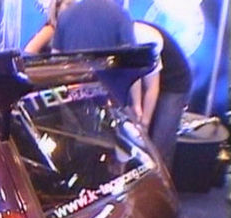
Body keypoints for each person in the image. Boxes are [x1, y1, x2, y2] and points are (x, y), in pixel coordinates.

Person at [131, 21, 192, 170]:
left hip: (174, 83)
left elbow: (152, 87)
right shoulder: (119, 38)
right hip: (148, 78)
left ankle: (160, 180)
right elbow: (133, 79)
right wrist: (136, 112)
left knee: (160, 143)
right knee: (137, 137)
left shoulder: (145, 38)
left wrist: (144, 123)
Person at [52, 0, 135, 52]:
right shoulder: (121, 14)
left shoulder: (65, 15)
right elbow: (130, 57)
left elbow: (56, 58)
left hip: (73, 75)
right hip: (109, 75)